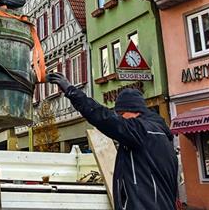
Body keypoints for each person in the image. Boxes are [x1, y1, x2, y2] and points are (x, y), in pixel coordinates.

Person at [48, 73, 178, 209]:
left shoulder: (141, 131)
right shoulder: (160, 134)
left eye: (121, 114)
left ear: (135, 111)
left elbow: (104, 118)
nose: (119, 118)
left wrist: (72, 91)